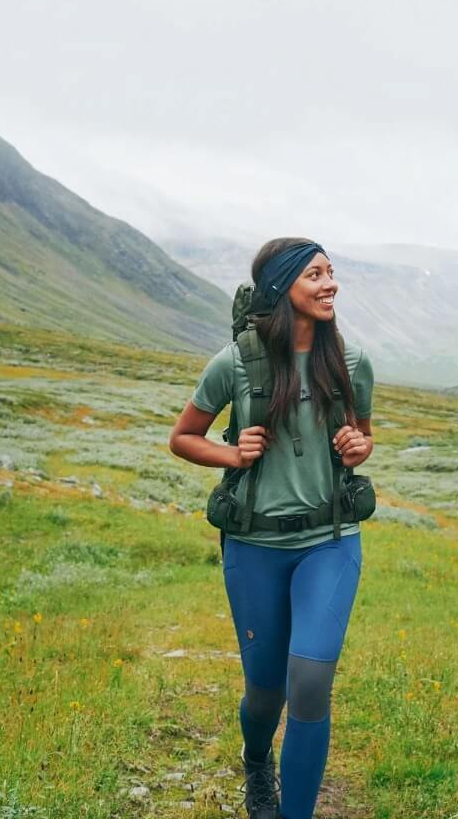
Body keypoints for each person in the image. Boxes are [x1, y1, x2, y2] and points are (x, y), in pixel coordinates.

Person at [168, 238, 375, 819]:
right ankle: (257, 763)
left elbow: (362, 437)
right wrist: (231, 455)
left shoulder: (352, 361)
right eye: (316, 274)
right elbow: (183, 437)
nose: (331, 283)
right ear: (284, 288)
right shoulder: (235, 362)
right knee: (266, 690)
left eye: (332, 273)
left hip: (330, 543)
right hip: (254, 547)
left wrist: (359, 447)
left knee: (309, 683)